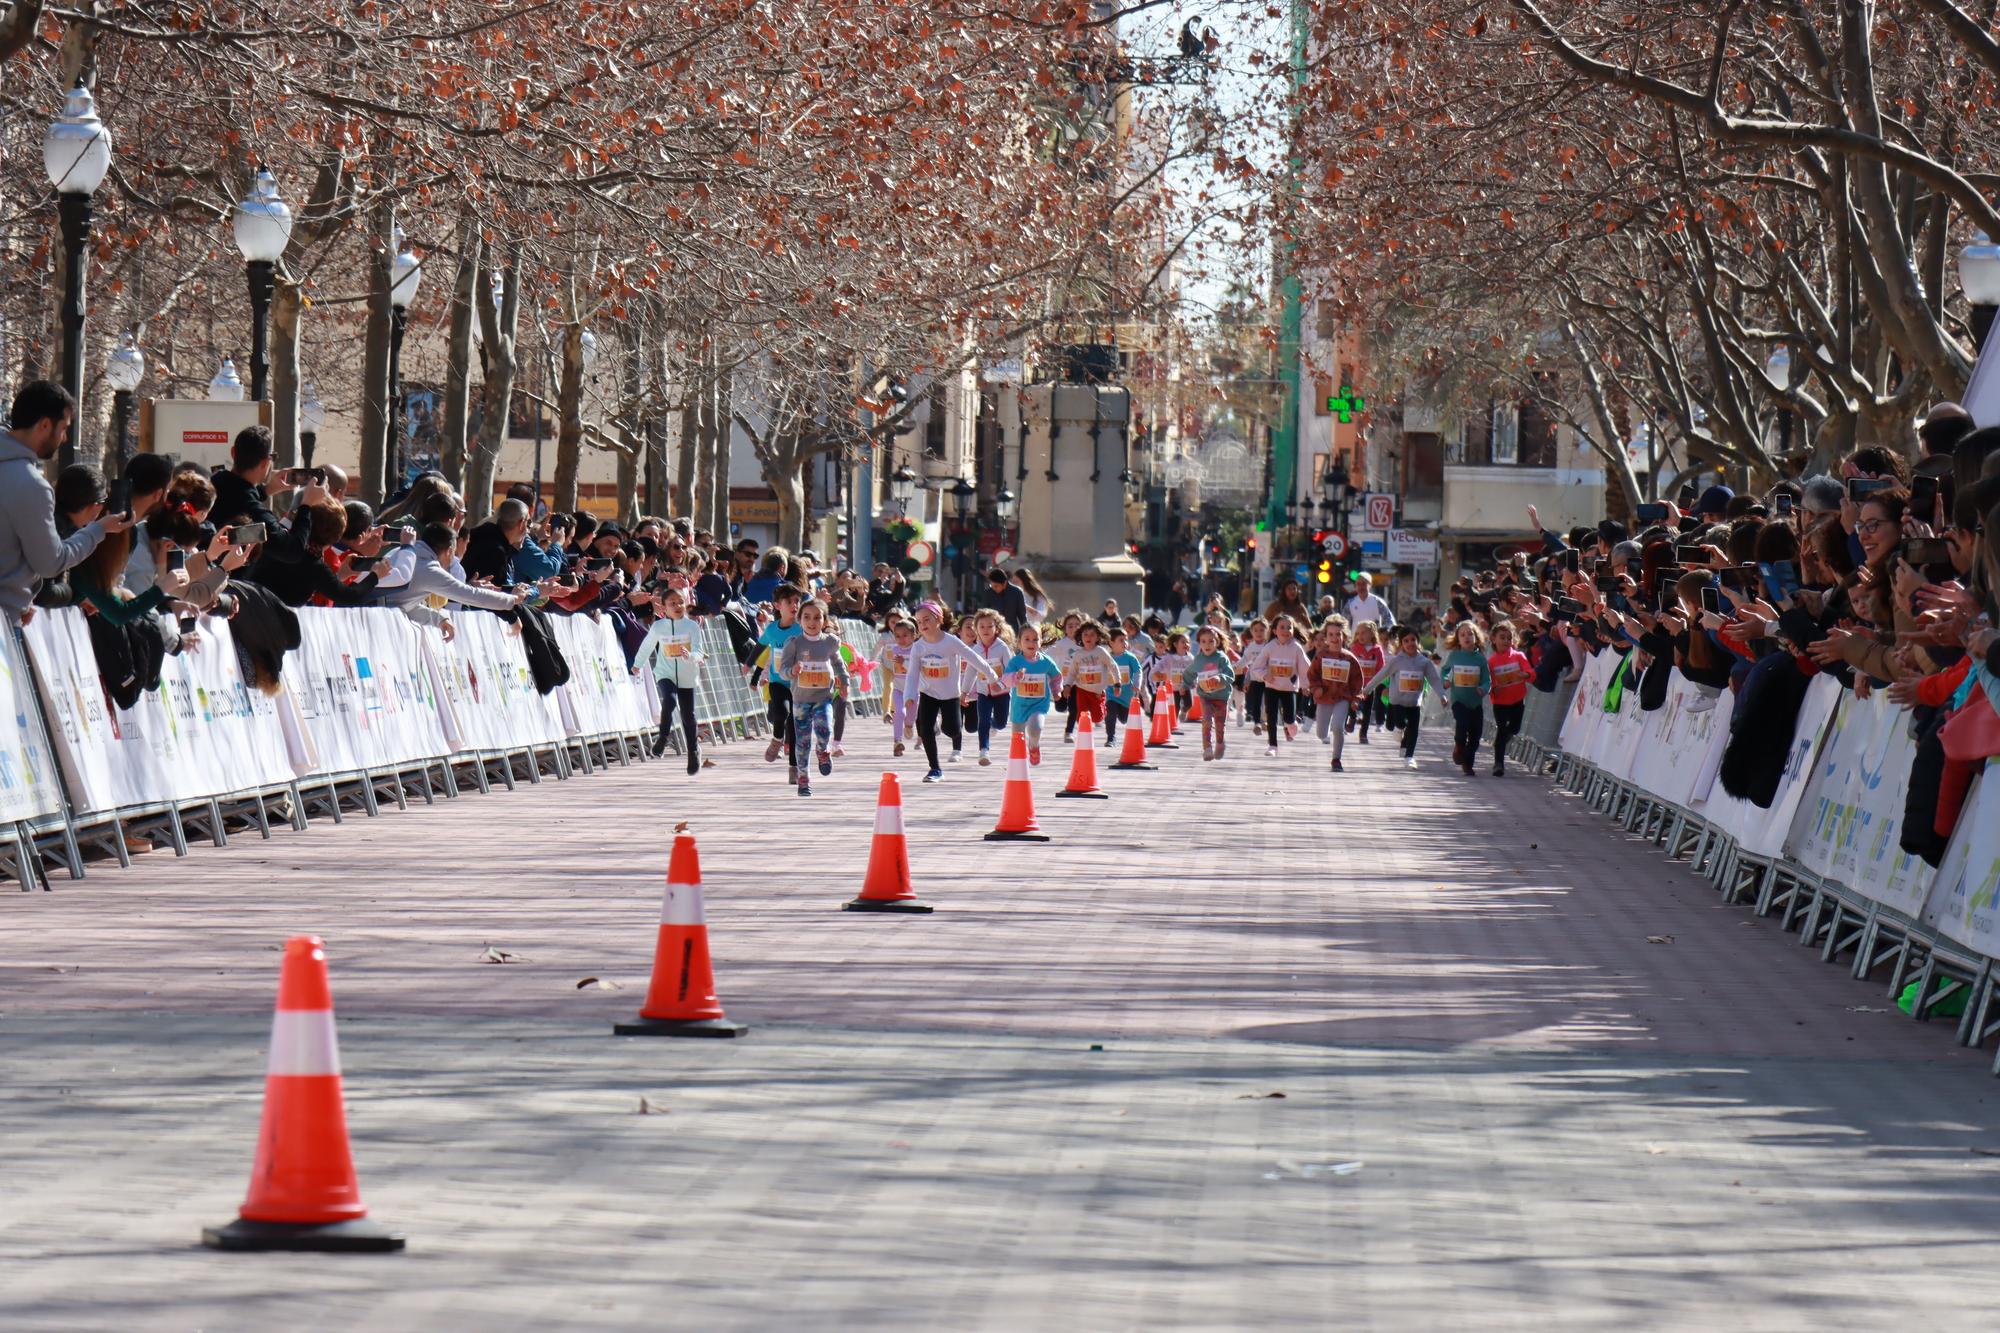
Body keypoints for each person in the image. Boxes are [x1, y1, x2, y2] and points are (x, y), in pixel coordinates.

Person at [0, 381, 130, 623]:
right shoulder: (31, 485)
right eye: (63, 428)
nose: (64, 438)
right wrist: (98, 529)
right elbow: (51, 562)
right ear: (45, 425)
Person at [908, 601, 999, 781]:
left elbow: (974, 659)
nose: (923, 624)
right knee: (925, 729)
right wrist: (909, 696)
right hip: (928, 693)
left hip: (950, 695)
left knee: (951, 730)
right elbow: (912, 674)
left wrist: (991, 676)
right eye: (919, 621)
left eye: (927, 619)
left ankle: (946, 726)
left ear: (939, 619)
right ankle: (935, 769)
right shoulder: (918, 647)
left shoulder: (951, 642)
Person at [776, 599, 849, 796]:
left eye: (817, 617)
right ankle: (803, 779)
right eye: (807, 617)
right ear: (799, 620)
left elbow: (839, 664)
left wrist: (845, 681)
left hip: (823, 697)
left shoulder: (830, 642)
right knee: (802, 741)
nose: (812, 622)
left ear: (824, 621)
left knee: (825, 728)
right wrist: (792, 670)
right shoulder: (794, 644)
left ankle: (822, 751)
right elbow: (782, 671)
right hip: (800, 699)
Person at [633, 585, 706, 775]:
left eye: (681, 601)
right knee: (670, 699)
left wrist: (690, 655)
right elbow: (647, 645)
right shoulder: (658, 627)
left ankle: (693, 751)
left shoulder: (692, 626)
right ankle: (663, 737)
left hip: (687, 676)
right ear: (663, 607)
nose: (677, 606)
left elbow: (699, 652)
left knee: (688, 716)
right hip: (665, 673)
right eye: (672, 603)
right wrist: (637, 664)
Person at [1363, 626, 1445, 769]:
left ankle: (1409, 756)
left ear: (1418, 642)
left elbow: (1434, 680)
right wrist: (1367, 689)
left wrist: (1442, 695)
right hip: (1397, 702)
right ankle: (1399, 730)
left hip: (1414, 703)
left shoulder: (1424, 662)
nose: (1410, 643)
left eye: (1413, 640)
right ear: (1401, 644)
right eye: (1406, 641)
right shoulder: (1396, 661)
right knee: (1400, 723)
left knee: (1413, 729)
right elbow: (1381, 675)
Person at [755, 582, 806, 781]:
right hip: (777, 682)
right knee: (781, 713)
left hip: (798, 684)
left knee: (795, 726)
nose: (794, 605)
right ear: (777, 605)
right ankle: (777, 739)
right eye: (789, 601)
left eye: (797, 601)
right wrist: (761, 674)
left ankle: (794, 768)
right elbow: (766, 654)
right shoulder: (772, 630)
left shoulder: (802, 629)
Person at [208, 425, 294, 533]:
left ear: (233, 452)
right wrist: (306, 507)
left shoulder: (212, 483)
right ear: (265, 462)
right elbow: (289, 545)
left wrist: (267, 490)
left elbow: (235, 491)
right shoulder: (252, 509)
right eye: (273, 456)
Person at [1309, 616, 1365, 772]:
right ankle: (1325, 734)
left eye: (1338, 634)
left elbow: (1357, 681)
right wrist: (1316, 688)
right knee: (1321, 733)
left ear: (1344, 637)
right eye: (1331, 634)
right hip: (1324, 697)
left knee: (1338, 727)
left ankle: (1336, 759)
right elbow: (1312, 675)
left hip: (1343, 697)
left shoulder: (1350, 658)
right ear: (1326, 637)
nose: (1334, 638)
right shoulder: (1320, 656)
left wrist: (1355, 699)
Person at [1003, 621, 1062, 764]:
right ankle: (1018, 766)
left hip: (1038, 705)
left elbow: (1056, 676)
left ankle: (1034, 747)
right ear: (1019, 642)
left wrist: (1056, 691)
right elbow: (1005, 680)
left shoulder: (1046, 662)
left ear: (1041, 641)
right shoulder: (1015, 662)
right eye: (1027, 639)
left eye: (1035, 639)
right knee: (1017, 739)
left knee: (1036, 728)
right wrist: (1016, 677)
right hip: (1019, 706)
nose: (1031, 642)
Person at [1441, 619, 1494, 776]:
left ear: (1476, 637)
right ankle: (1459, 745)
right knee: (1462, 723)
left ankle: (1467, 764)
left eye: (1470, 634)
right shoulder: (1454, 656)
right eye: (1462, 635)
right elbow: (1445, 671)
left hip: (1475, 703)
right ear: (1458, 639)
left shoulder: (1480, 659)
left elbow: (1487, 680)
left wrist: (1483, 689)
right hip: (1459, 700)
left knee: (1476, 735)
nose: (1466, 637)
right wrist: (1445, 681)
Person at [1257, 614, 1311, 754]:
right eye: (1282, 627)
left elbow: (1305, 667)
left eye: (1289, 627)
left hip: (1289, 688)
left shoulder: (1296, 647)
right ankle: (1272, 746)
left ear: (1293, 630)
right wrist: (1264, 675)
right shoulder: (1269, 647)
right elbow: (1256, 667)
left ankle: (1291, 724)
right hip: (1272, 687)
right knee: (1272, 716)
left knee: (1289, 717)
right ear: (1274, 630)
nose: (1286, 630)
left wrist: (1306, 685)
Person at [1060, 619, 1118, 747]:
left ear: (1098, 637)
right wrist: (1067, 685)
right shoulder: (1078, 654)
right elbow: (1072, 673)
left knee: (1097, 718)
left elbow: (1113, 667)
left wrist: (1117, 683)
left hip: (1097, 692)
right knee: (1082, 717)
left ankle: (1103, 706)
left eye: (1092, 635)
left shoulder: (1101, 652)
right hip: (1082, 689)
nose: (1088, 637)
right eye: (1085, 634)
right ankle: (1084, 741)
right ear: (1080, 636)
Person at [1182, 624, 1236, 760]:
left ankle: (1220, 743)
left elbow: (1230, 675)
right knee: (1206, 720)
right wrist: (1185, 685)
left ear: (1217, 642)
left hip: (1222, 696)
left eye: (1211, 641)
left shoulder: (1221, 658)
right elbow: (1189, 672)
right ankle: (1207, 748)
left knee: (1219, 723)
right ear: (1199, 643)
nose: (1207, 644)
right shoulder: (1199, 659)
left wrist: (1220, 678)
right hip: (1205, 695)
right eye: (1203, 641)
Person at [1486, 619, 1532, 776]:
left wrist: (1525, 674)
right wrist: (1493, 688)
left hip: (1518, 700)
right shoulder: (1491, 662)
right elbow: (1488, 682)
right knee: (1502, 729)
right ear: (1493, 639)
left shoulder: (1519, 656)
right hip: (1500, 702)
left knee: (1514, 728)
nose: (1506, 641)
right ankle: (1498, 764)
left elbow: (1530, 672)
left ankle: (1500, 744)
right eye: (1502, 637)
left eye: (1509, 637)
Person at [968, 609, 1012, 764]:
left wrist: (1002, 684)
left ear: (997, 628)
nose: (986, 630)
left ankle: (994, 724)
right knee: (983, 720)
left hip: (1002, 693)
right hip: (983, 693)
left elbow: (1010, 669)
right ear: (976, 629)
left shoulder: (1002, 648)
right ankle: (983, 751)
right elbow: (970, 672)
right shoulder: (975, 650)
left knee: (1000, 723)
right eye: (982, 626)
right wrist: (964, 691)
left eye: (989, 626)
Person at [1349, 618, 1387, 742]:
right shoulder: (1354, 648)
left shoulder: (1377, 649)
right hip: (1355, 683)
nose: (1360, 636)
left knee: (1367, 709)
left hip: (1370, 685)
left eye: (1363, 633)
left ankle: (1363, 733)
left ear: (1372, 634)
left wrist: (1376, 681)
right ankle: (1352, 718)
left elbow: (1381, 666)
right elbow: (1350, 663)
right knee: (1352, 704)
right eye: (1358, 633)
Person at [1105, 625, 1143, 749]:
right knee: (1110, 713)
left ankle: (1122, 717)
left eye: (1126, 639)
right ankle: (1111, 738)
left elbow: (1138, 671)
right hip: (1112, 694)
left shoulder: (1130, 657)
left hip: (1127, 697)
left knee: (1124, 718)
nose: (1125, 643)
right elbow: (1101, 673)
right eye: (1121, 640)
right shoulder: (1107, 658)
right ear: (1111, 642)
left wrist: (1137, 684)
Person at [981, 566, 1030, 631]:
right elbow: (983, 614)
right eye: (991, 586)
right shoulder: (988, 593)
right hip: (993, 631)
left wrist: (1025, 630)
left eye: (996, 586)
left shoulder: (1017, 592)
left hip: (1012, 631)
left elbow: (1022, 615)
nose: (993, 588)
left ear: (1004, 583)